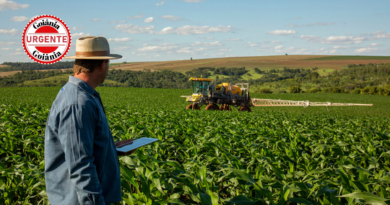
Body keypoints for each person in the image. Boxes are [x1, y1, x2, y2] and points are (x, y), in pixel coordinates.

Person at [44, 36, 133, 205]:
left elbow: (80, 149)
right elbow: (81, 166)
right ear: (102, 65)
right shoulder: (78, 104)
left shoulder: (82, 96)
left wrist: (110, 149)